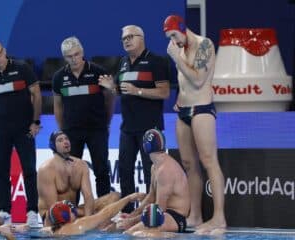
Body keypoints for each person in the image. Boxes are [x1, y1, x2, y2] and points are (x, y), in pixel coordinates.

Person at [163, 15, 226, 234]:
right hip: (184, 112)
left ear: (182, 28)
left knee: (210, 162)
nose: (173, 41)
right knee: (189, 165)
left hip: (202, 110)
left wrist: (176, 59)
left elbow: (198, 80)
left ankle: (219, 218)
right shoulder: (178, 50)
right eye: (169, 37)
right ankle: (196, 215)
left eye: (174, 35)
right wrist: (179, 100)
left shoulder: (204, 44)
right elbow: (184, 83)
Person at [99, 25, 170, 213]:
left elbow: (164, 92)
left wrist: (137, 90)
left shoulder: (156, 61)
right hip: (127, 128)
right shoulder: (122, 62)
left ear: (142, 38)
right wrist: (111, 88)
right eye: (124, 38)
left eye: (130, 37)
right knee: (124, 170)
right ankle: (127, 212)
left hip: (149, 128)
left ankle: (151, 212)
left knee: (151, 172)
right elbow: (121, 91)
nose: (126, 41)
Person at [0, 40, 42, 227]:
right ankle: (5, 211)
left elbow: (37, 94)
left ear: (4, 51)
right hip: (1, 130)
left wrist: (35, 121)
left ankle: (32, 211)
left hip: (24, 128)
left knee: (29, 170)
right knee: (1, 171)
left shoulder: (22, 68)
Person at [53, 36, 114, 198]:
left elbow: (110, 98)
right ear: (64, 57)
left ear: (82, 52)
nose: (74, 59)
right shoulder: (58, 78)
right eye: (69, 56)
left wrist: (106, 123)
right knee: (72, 174)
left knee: (101, 170)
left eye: (76, 54)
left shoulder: (98, 72)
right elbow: (58, 105)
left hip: (97, 129)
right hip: (71, 131)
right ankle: (72, 210)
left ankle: (103, 209)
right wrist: (62, 131)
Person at [38, 131, 120, 227]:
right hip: (55, 216)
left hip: (74, 213)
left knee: (114, 197)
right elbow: (54, 208)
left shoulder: (81, 165)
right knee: (101, 220)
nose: (65, 142)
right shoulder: (46, 169)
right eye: (60, 140)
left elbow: (88, 196)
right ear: (53, 146)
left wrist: (88, 219)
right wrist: (92, 215)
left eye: (66, 139)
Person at [118, 129, 190, 235]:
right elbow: (151, 197)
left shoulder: (165, 170)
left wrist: (131, 221)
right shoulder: (155, 166)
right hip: (163, 214)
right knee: (120, 228)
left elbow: (159, 210)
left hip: (176, 218)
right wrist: (132, 215)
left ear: (145, 146)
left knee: (130, 233)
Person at [41, 192, 145, 236]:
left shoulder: (50, 231)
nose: (75, 212)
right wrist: (128, 198)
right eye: (72, 211)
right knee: (115, 226)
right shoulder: (77, 226)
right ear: (66, 216)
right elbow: (106, 213)